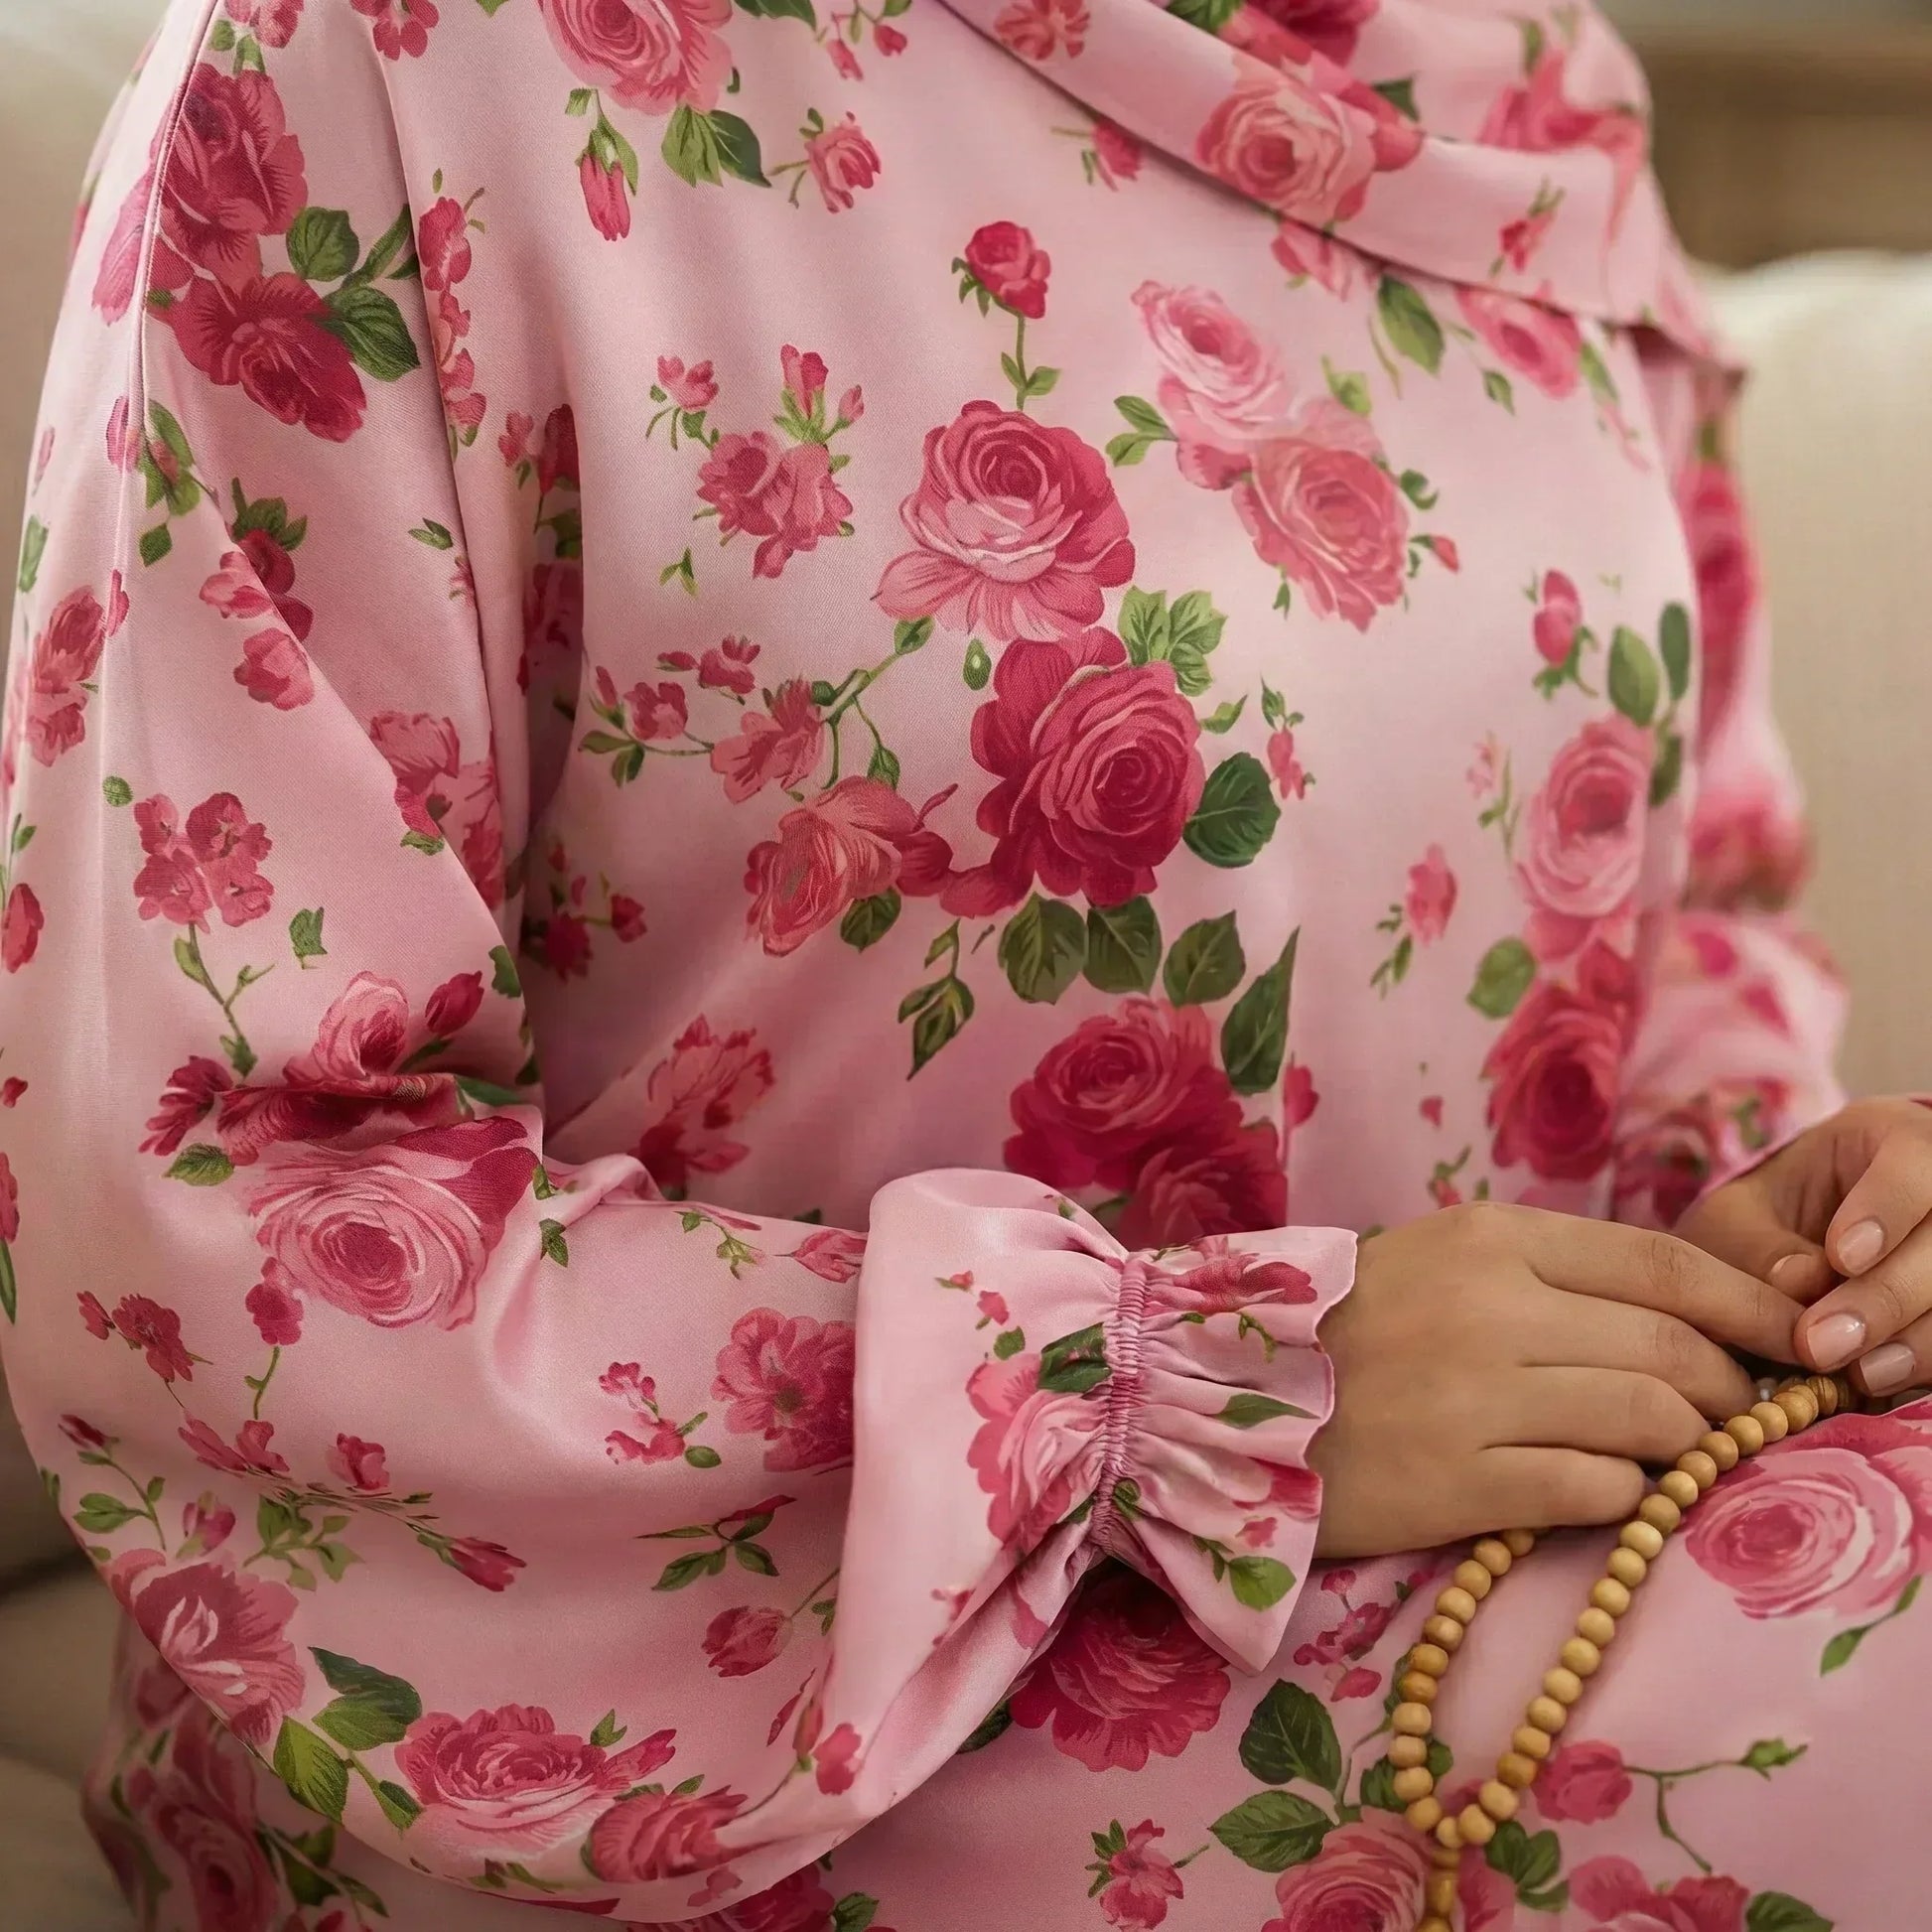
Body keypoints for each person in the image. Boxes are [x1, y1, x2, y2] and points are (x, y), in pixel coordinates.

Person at [4, 0, 1930, 1925]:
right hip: (702, 1707)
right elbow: (215, 1193)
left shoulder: (1504, 69)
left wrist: (1773, 1249)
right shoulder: (380, 59)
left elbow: (1686, 905)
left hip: (1499, 1555)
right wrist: (1197, 1387)